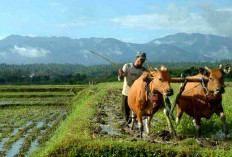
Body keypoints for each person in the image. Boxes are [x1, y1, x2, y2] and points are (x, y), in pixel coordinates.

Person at [118, 51, 147, 124]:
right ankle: (127, 121)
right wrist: (121, 75)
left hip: (137, 93)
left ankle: (134, 120)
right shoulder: (127, 66)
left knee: (137, 108)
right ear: (136, 58)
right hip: (127, 92)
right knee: (125, 109)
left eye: (143, 60)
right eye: (141, 59)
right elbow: (120, 78)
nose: (142, 61)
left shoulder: (143, 70)